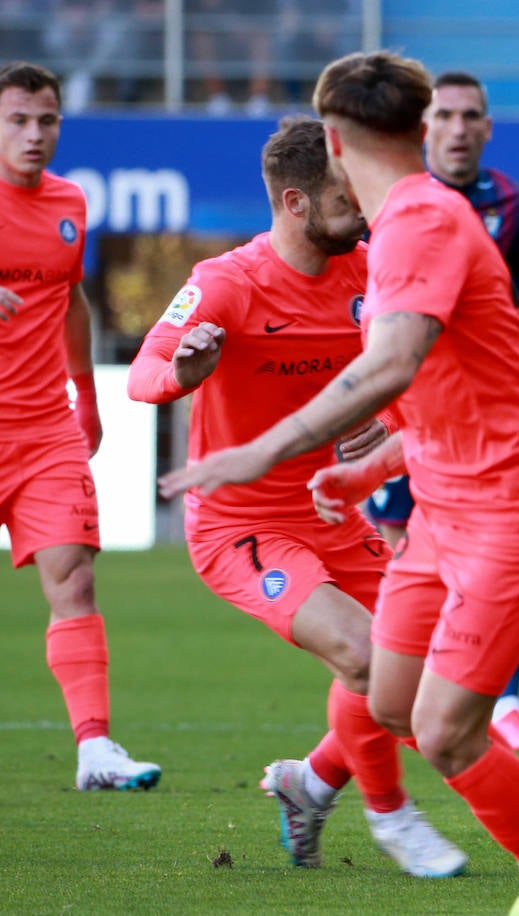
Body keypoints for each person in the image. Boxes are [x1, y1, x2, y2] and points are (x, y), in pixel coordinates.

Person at [158, 51, 519, 916]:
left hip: (513, 509)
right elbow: (461, 394)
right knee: (389, 695)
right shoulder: (409, 219)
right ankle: (313, 780)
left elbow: (393, 366)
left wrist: (263, 450)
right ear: (419, 126)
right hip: (444, 501)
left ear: (333, 139)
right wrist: (370, 467)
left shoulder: (418, 224)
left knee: (443, 730)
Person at [127, 115, 466, 877]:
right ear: (295, 203)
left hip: (337, 511)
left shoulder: (371, 268)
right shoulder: (225, 283)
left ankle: (309, 782)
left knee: (419, 664)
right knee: (363, 653)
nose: (365, 208)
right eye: (346, 196)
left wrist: (380, 428)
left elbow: (409, 370)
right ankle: (393, 815)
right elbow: (147, 372)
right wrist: (183, 373)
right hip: (242, 526)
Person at [363, 68, 519, 753]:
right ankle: (391, 721)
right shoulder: (394, 207)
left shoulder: (506, 201)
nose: (458, 129)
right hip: (411, 417)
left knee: (496, 565)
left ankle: (502, 698)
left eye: (471, 116)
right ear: (422, 128)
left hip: (487, 419)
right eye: (445, 115)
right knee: (400, 551)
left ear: (488, 127)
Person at [0, 60, 161, 791]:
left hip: (42, 428)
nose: (35, 135)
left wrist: (87, 396)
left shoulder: (69, 200)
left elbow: (69, 299)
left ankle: (95, 749)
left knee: (75, 578)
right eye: (19, 120)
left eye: (47, 120)